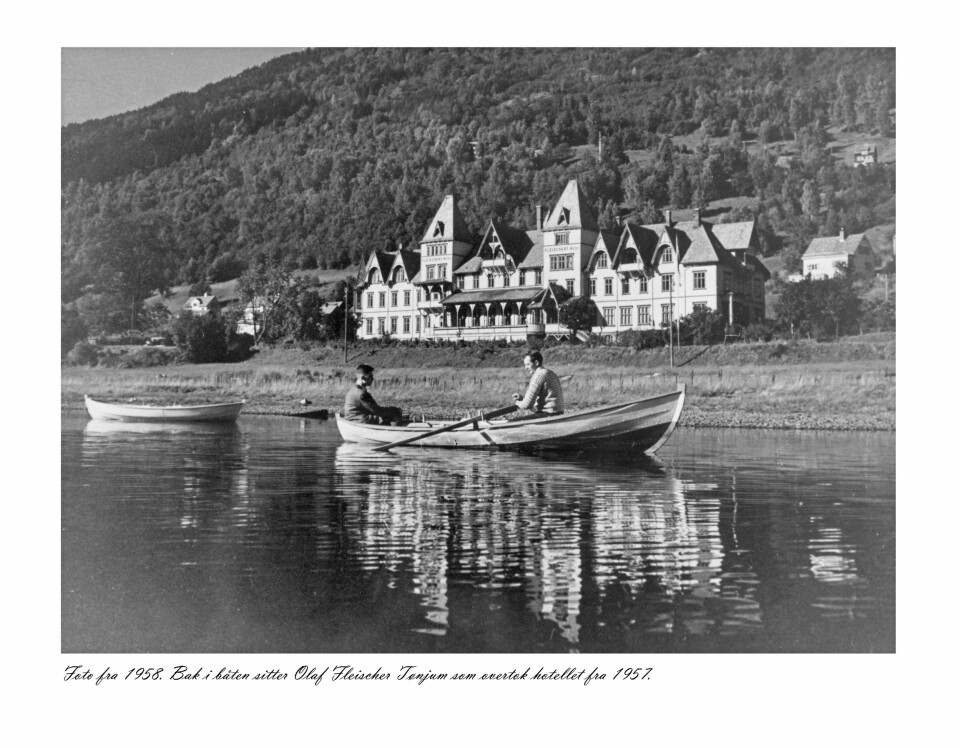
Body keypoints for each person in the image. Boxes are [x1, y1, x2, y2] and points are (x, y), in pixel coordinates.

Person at [511, 350, 564, 418]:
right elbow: (536, 400)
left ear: (536, 362)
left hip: (548, 414)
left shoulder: (538, 376)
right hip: (558, 412)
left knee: (513, 422)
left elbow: (527, 405)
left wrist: (517, 403)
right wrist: (521, 399)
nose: (525, 367)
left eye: (527, 364)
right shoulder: (549, 373)